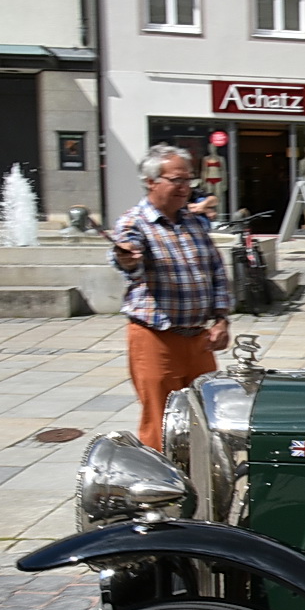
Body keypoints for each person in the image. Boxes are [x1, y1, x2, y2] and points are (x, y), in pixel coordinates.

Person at [112, 144, 232, 451]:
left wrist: (221, 319)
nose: (184, 188)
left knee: (206, 415)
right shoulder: (134, 222)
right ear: (152, 181)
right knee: (162, 420)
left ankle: (203, 480)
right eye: (177, 180)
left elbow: (216, 269)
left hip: (199, 338)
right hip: (156, 338)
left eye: (188, 180)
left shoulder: (193, 222)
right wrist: (127, 259)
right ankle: (161, 489)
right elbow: (128, 258)